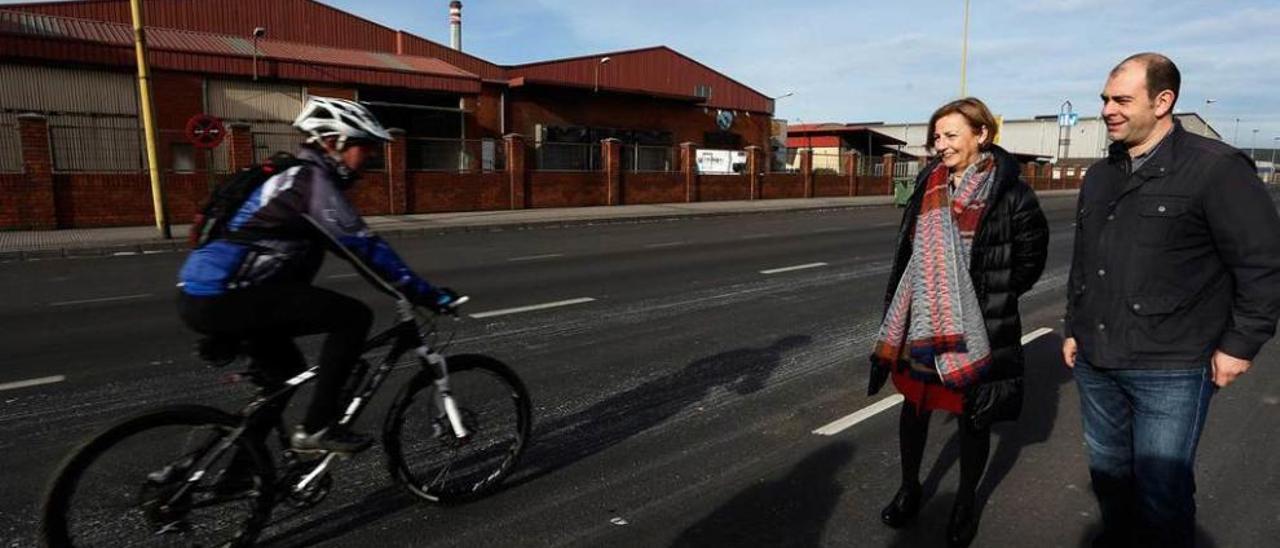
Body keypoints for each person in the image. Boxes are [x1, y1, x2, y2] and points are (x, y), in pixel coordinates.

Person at [1062, 53, 1280, 547]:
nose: (1107, 110)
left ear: (1164, 102)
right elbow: (1085, 262)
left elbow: (1261, 263)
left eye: (1121, 100)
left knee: (1162, 492)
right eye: (1104, 99)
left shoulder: (1216, 169)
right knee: (1110, 477)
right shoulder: (1101, 176)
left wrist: (1240, 345)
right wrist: (1073, 326)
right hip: (1098, 360)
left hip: (1173, 367)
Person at [177, 97, 461, 454]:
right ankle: (318, 427)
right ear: (333, 142)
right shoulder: (308, 182)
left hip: (209, 294)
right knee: (353, 318)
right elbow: (364, 249)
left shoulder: (293, 176)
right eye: (365, 147)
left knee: (284, 374)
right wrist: (426, 294)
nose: (371, 158)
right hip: (224, 295)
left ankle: (243, 475)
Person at [869, 97, 1049, 547]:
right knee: (913, 410)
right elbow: (908, 253)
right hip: (919, 324)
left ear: (981, 135)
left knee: (973, 419)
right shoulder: (929, 183)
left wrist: (981, 300)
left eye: (951, 135)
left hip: (975, 328)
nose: (940, 145)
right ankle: (910, 487)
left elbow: (1030, 260)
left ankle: (965, 501)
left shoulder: (1012, 194)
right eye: (936, 136)